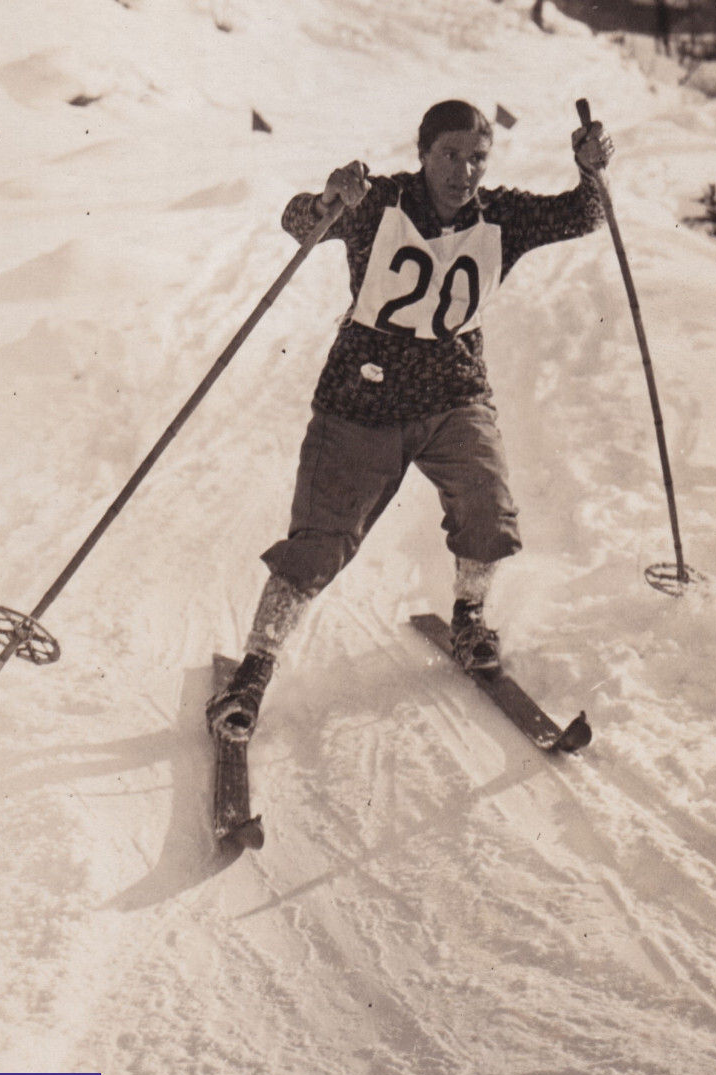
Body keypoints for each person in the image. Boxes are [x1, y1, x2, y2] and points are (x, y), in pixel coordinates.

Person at [207, 99, 615, 736]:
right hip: (361, 402)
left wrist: (591, 169)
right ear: (422, 153)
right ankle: (253, 673)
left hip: (454, 396)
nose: (463, 171)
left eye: (477, 158)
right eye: (449, 155)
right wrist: (329, 199)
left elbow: (584, 214)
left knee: (488, 507)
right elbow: (296, 221)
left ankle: (470, 620)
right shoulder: (380, 202)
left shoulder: (500, 215)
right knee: (319, 545)